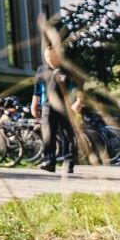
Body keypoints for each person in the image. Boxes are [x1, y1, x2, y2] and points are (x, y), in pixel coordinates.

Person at [33, 40, 80, 174]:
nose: (50, 59)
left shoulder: (68, 69)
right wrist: (34, 104)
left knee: (68, 135)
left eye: (52, 56)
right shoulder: (41, 70)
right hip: (47, 106)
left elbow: (78, 87)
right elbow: (37, 88)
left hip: (66, 106)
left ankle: (69, 162)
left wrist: (78, 102)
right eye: (47, 57)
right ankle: (49, 161)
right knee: (48, 134)